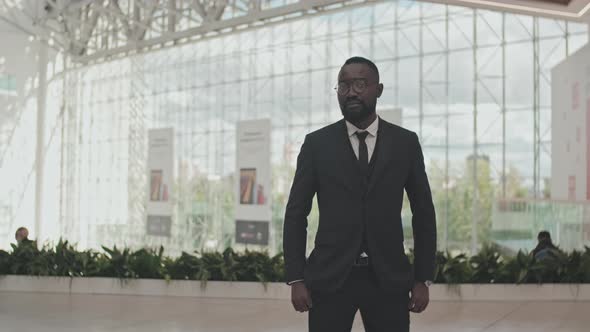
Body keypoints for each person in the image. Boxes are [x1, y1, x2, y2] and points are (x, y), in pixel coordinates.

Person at [283, 56, 437, 332]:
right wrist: (295, 278)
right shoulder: (317, 144)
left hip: (388, 279)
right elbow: (296, 213)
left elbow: (423, 212)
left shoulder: (405, 143)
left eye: (359, 84)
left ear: (378, 89)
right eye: (343, 85)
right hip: (329, 278)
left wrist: (423, 278)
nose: (350, 91)